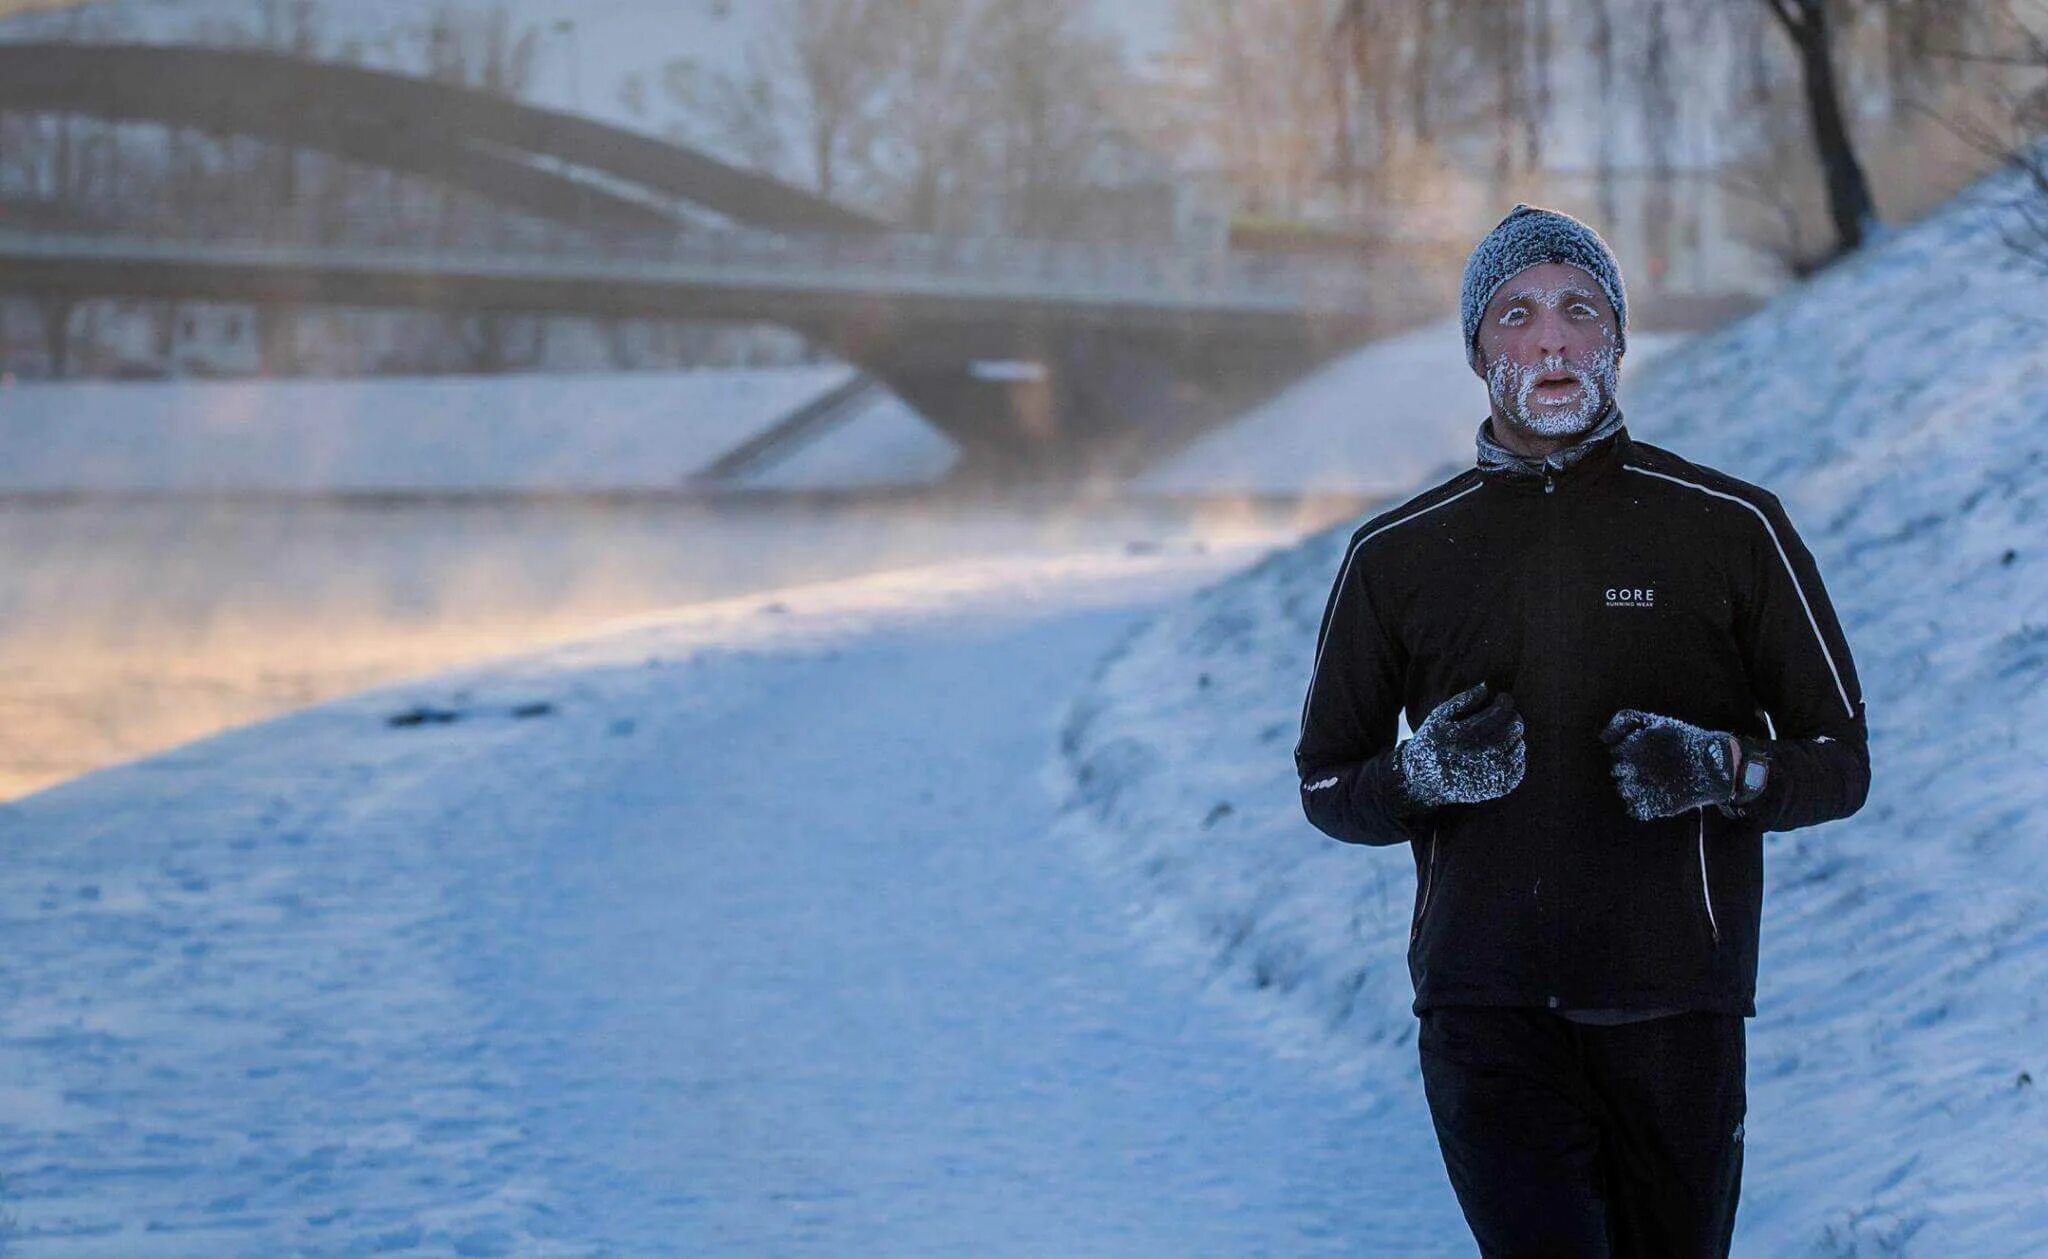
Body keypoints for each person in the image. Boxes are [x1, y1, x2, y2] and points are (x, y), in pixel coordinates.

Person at [1293, 203, 1871, 1256]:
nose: (1548, 338)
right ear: (1478, 353)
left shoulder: (1728, 528)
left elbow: (1839, 763)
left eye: (1577, 308)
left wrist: (1720, 765)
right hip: (1484, 1013)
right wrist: (1422, 772)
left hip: (1674, 1013)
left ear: (1615, 338)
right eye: (1513, 315)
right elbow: (1325, 784)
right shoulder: (1396, 556)